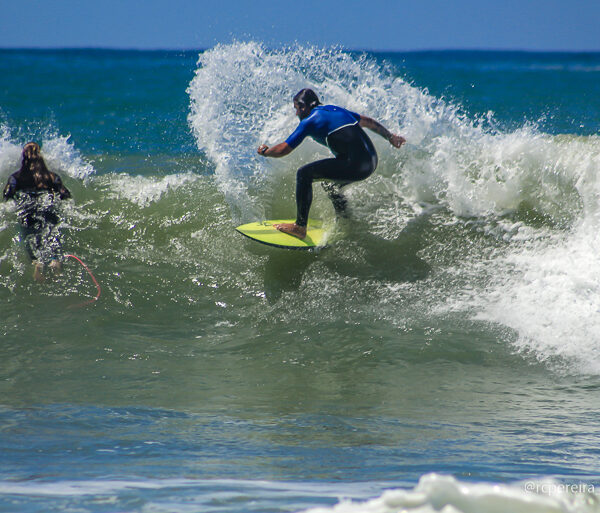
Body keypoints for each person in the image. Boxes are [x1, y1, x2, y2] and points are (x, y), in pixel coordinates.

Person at [257, 88, 405, 239]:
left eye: (297, 109)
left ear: (304, 107)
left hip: (356, 165)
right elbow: (368, 122)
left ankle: (300, 227)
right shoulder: (335, 109)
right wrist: (391, 137)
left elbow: (283, 149)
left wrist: (265, 152)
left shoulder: (309, 121)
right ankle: (345, 221)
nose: (296, 114)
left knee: (304, 174)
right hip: (371, 161)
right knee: (330, 185)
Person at [3, 142, 71, 282]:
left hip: (27, 212)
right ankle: (54, 264)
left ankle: (37, 264)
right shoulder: (52, 177)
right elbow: (65, 194)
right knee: (52, 240)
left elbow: (7, 193)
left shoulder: (16, 177)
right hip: (48, 209)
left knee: (31, 242)